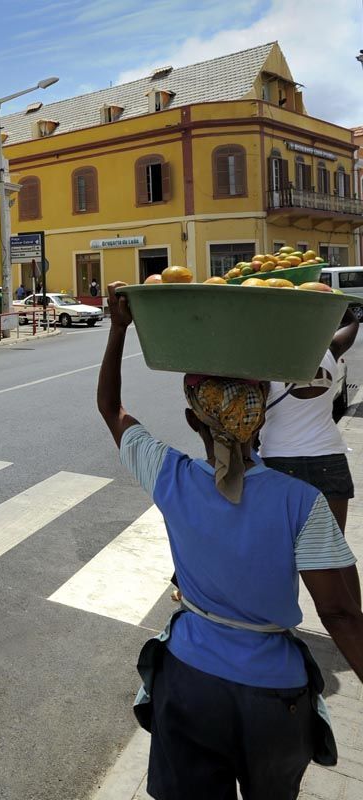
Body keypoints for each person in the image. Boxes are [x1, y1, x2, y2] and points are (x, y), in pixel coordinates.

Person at [98, 281, 363, 800]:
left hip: (189, 683)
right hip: (274, 699)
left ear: (192, 417)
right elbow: (341, 614)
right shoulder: (300, 501)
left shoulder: (169, 475)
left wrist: (119, 329)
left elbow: (111, 407)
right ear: (261, 413)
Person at [260, 312, 359, 533]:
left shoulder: (263, 363)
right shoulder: (330, 352)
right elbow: (351, 322)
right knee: (333, 550)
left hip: (279, 461)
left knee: (285, 548)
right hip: (330, 458)